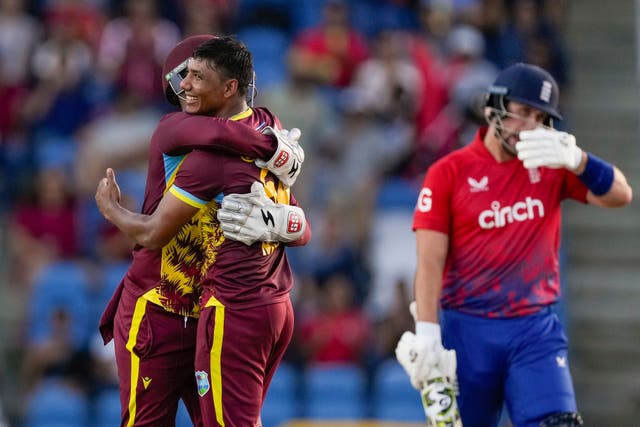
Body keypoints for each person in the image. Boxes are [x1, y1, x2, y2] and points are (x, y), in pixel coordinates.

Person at [396, 63, 632, 427]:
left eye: (540, 117)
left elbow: (620, 194)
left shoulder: (553, 165)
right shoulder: (449, 171)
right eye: (522, 112)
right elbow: (429, 261)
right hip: (467, 330)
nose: (530, 126)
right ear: (494, 108)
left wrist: (579, 160)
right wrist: (428, 331)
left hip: (533, 329)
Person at [95, 36, 311, 427]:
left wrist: (282, 222)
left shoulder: (262, 123)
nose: (185, 92)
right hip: (159, 305)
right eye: (180, 84)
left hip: (214, 311)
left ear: (229, 85)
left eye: (195, 77)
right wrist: (278, 149)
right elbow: (221, 135)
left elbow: (302, 227)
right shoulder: (179, 130)